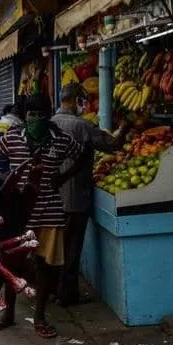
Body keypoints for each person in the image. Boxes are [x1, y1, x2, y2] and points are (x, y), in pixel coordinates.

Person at [0, 95, 89, 339]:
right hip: (17, 211)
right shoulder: (13, 136)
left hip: (49, 210)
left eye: (41, 114)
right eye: (32, 114)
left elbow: (83, 155)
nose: (36, 119)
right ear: (25, 116)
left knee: (45, 266)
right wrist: (2, 177)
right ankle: (8, 314)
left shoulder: (60, 139)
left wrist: (63, 177)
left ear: (49, 115)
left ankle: (40, 317)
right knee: (12, 264)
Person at [51, 84, 128, 306]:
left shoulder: (50, 123)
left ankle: (55, 290)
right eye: (82, 100)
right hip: (75, 197)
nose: (83, 105)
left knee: (56, 248)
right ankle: (67, 295)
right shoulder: (82, 126)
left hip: (52, 198)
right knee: (72, 248)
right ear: (75, 99)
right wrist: (124, 128)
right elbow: (113, 144)